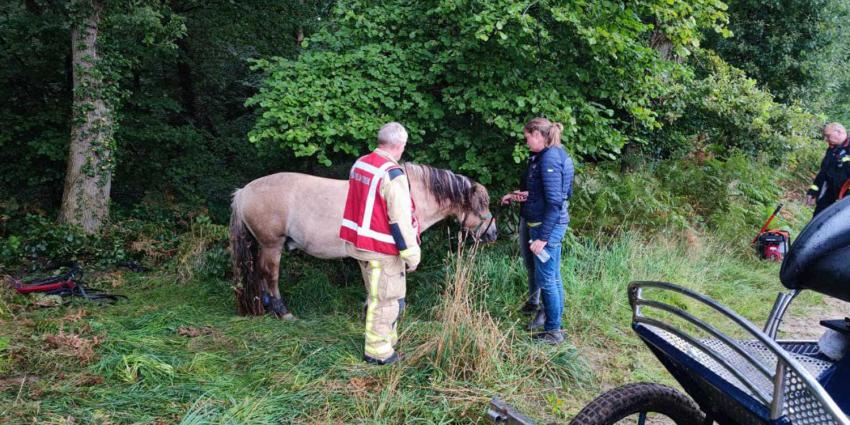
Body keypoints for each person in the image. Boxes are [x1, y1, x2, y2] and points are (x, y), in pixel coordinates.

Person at [339, 122, 421, 365]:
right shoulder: (392, 174)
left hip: (359, 245)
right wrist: (412, 255)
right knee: (386, 301)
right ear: (400, 145)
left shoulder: (361, 163)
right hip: (381, 250)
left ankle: (387, 341)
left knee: (377, 296)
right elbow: (399, 220)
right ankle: (378, 353)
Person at [503, 117, 574, 344]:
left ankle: (553, 331)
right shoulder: (553, 155)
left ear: (537, 134)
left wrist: (543, 238)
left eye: (527, 138)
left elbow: (555, 202)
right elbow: (546, 194)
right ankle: (555, 325)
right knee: (553, 277)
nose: (526, 143)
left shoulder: (549, 158)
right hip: (549, 223)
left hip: (546, 226)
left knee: (547, 280)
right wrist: (519, 195)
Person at [807, 122, 850, 217]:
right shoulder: (832, 149)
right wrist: (813, 191)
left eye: (828, 136)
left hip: (845, 201)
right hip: (828, 195)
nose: (826, 139)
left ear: (839, 132)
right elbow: (823, 172)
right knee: (818, 219)